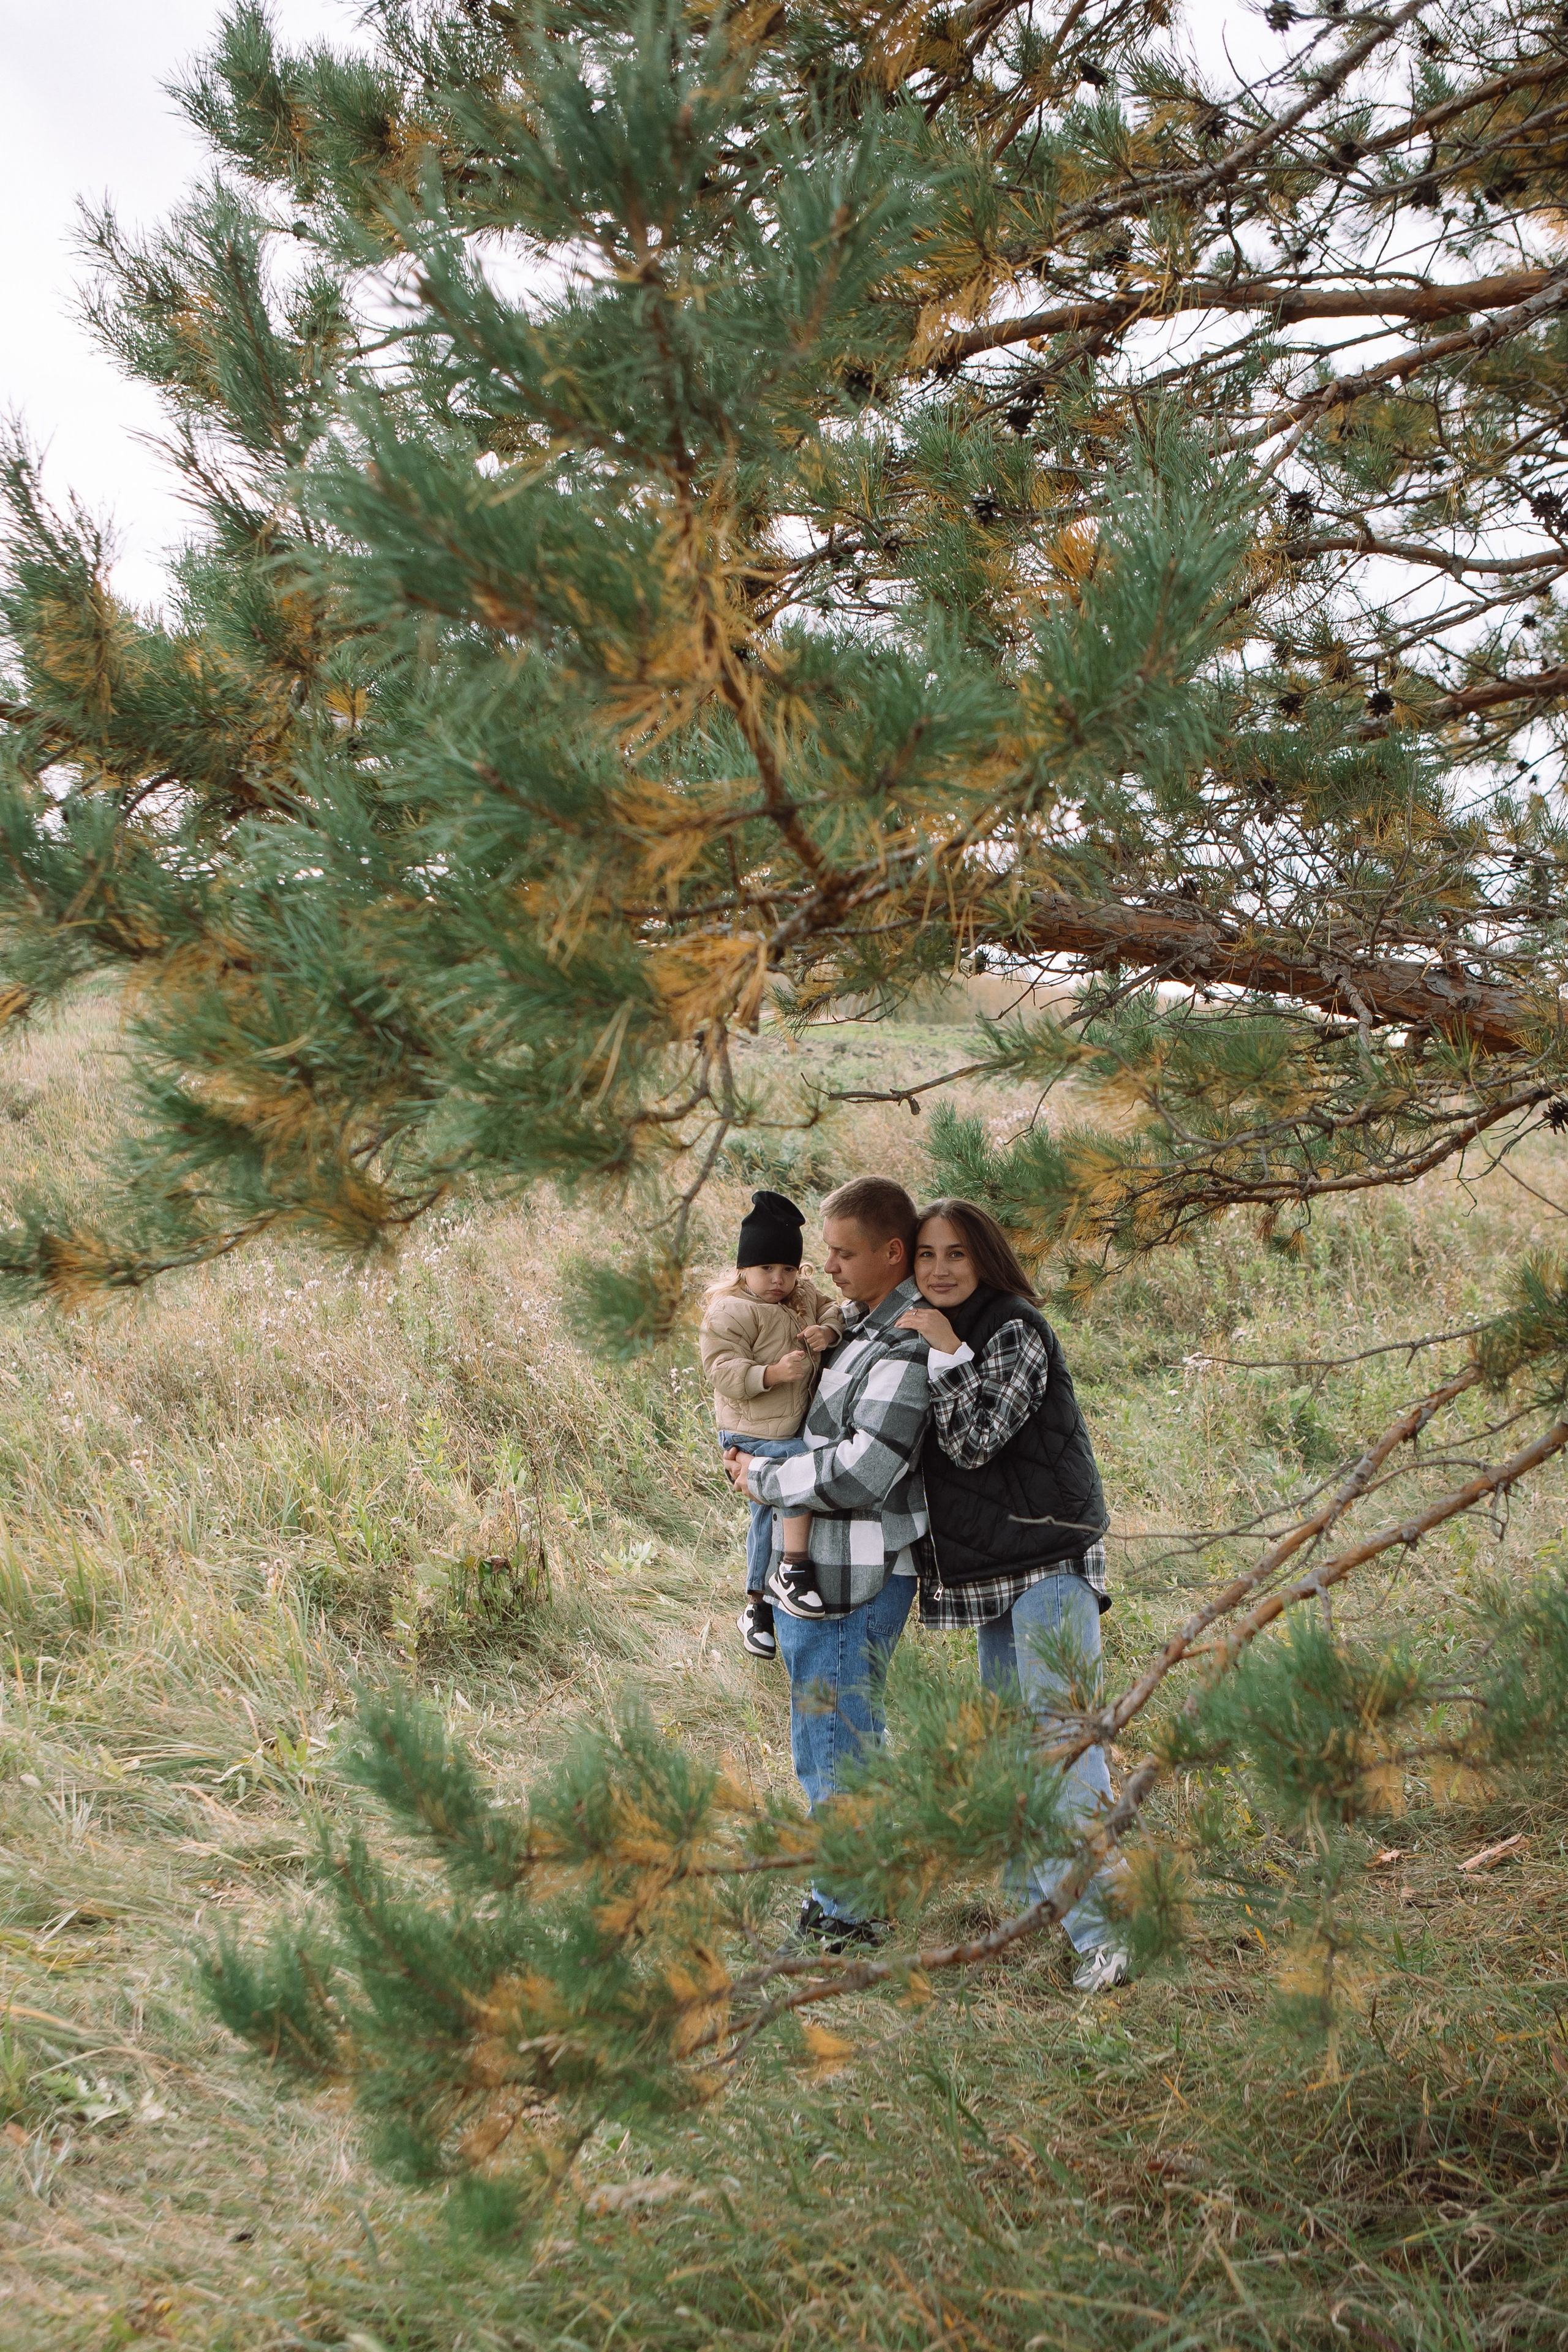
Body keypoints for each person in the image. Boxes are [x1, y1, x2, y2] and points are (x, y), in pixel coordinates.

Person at [895, 1197, 1129, 1994]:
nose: (940, 1269)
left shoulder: (1014, 1329)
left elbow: (972, 1441)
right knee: (1012, 1747)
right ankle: (1045, 1914)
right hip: (993, 1571)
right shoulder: (931, 1327)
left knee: (1064, 1747)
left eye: (957, 1253)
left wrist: (945, 1352)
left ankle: (1110, 1931)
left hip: (1048, 1560)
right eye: (926, 1255)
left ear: (987, 1258)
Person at [723, 1175, 929, 1950]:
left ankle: (848, 1916)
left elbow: (865, 1470)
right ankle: (846, 1893)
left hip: (854, 1572)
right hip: (821, 1565)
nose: (828, 1267)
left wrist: (763, 1477)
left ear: (891, 1252)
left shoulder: (906, 1342)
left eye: (843, 1253)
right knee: (836, 1740)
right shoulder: (859, 1324)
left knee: (836, 1746)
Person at [699, 1190, 844, 1657]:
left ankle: (757, 1606)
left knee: (766, 1514)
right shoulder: (730, 1311)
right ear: (743, 1269)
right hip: (751, 1431)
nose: (779, 1279)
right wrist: (772, 1374)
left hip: (786, 1425)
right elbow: (722, 1370)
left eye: (788, 1269)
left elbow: (833, 1308)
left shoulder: (803, 1296)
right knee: (797, 1473)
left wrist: (828, 1331)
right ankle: (793, 1569)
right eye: (766, 1269)